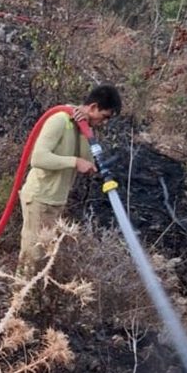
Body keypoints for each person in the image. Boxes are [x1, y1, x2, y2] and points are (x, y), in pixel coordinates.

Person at [17, 84, 122, 278]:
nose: (105, 122)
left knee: (45, 256)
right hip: (39, 197)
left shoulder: (82, 127)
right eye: (105, 116)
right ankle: (19, 300)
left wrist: (84, 132)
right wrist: (74, 161)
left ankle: (34, 299)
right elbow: (38, 158)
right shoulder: (60, 120)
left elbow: (87, 162)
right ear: (93, 107)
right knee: (33, 254)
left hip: (56, 200)